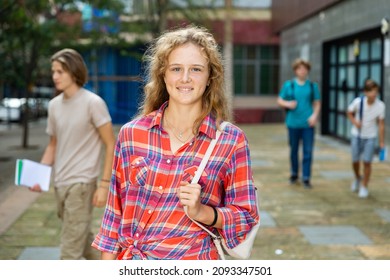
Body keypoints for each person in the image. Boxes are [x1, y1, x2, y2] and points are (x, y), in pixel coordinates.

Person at [91, 25, 259, 260]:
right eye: (176, 68)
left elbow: (246, 216)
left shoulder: (231, 140)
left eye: (196, 69)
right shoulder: (131, 135)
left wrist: (204, 212)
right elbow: (113, 216)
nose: (185, 78)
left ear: (210, 76)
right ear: (163, 74)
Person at [30, 48, 116, 259]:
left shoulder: (93, 103)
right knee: (82, 240)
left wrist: (104, 185)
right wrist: (36, 176)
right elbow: (53, 145)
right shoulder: (54, 106)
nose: (55, 76)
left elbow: (111, 144)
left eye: (60, 71)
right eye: (53, 71)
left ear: (74, 71)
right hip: (61, 184)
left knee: (69, 252)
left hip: (82, 185)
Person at [277, 58, 321, 188]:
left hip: (308, 124)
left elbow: (317, 103)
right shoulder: (289, 85)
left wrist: (314, 116)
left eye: (305, 68)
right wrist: (287, 103)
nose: (302, 71)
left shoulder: (313, 86)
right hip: (293, 123)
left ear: (308, 70)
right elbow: (279, 100)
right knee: (294, 150)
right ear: (295, 70)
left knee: (308, 151)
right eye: (299, 68)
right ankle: (294, 174)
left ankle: (306, 178)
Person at [347, 79, 386, 198]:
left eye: (375, 91)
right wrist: (355, 122)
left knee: (367, 162)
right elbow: (349, 112)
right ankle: (358, 178)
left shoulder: (380, 106)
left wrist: (381, 142)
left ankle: (364, 186)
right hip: (357, 135)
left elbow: (381, 124)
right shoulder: (358, 102)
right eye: (371, 91)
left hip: (370, 136)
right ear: (365, 92)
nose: (373, 94)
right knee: (355, 160)